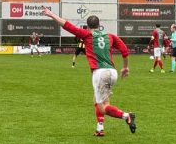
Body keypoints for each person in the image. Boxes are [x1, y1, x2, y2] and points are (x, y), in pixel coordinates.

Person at [42, 7, 136, 136]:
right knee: (100, 100)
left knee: (102, 107)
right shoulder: (110, 36)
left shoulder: (86, 35)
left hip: (100, 73)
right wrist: (125, 67)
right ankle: (100, 129)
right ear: (99, 25)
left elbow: (67, 25)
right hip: (112, 72)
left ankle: (127, 116)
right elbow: (124, 51)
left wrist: (52, 14)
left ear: (87, 26)